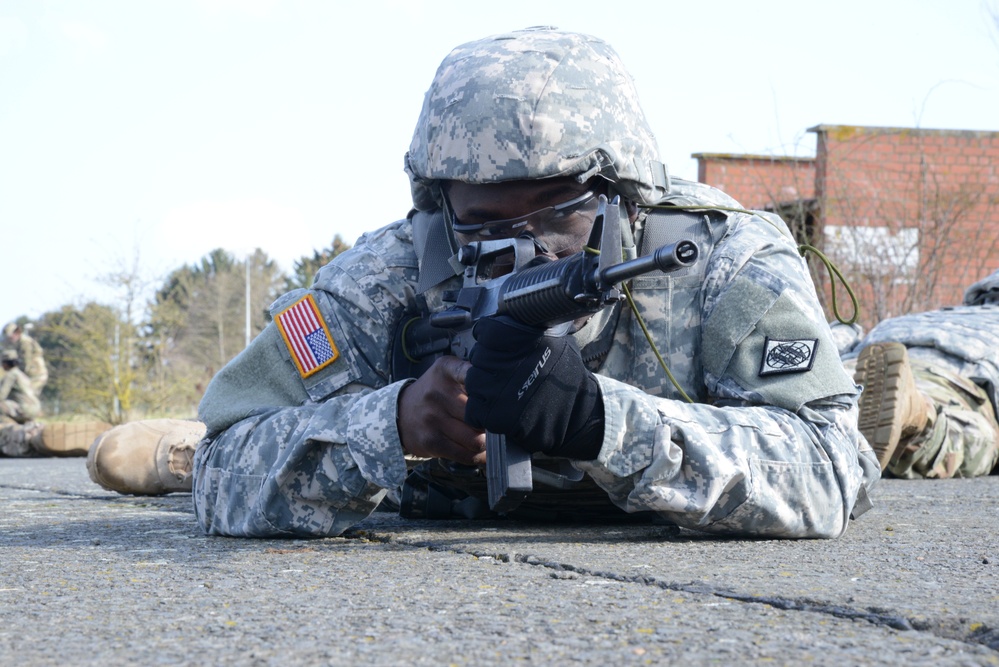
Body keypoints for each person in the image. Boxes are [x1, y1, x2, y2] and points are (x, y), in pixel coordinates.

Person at [88, 27, 879, 538]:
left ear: (624, 196)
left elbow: (827, 470)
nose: (523, 246)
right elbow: (230, 465)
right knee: (197, 453)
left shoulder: (721, 262)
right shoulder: (387, 277)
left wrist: (604, 421)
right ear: (438, 208)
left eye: (556, 211)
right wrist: (392, 421)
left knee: (875, 413)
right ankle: (169, 447)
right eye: (486, 219)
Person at [842, 269, 999, 479]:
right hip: (950, 382)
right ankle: (916, 416)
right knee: (977, 439)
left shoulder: (941, 314)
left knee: (829, 404)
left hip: (865, 361)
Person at [2, 322, 48, 395]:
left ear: (17, 333)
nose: (10, 340)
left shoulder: (25, 342)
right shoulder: (18, 343)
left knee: (26, 396)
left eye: (11, 337)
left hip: (36, 376)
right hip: (31, 375)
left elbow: (26, 363)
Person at [0, 350, 41, 425]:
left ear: (6, 363)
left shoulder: (11, 375)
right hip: (35, 409)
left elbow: (1, 396)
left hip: (24, 409)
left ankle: (7, 428)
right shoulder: (21, 375)